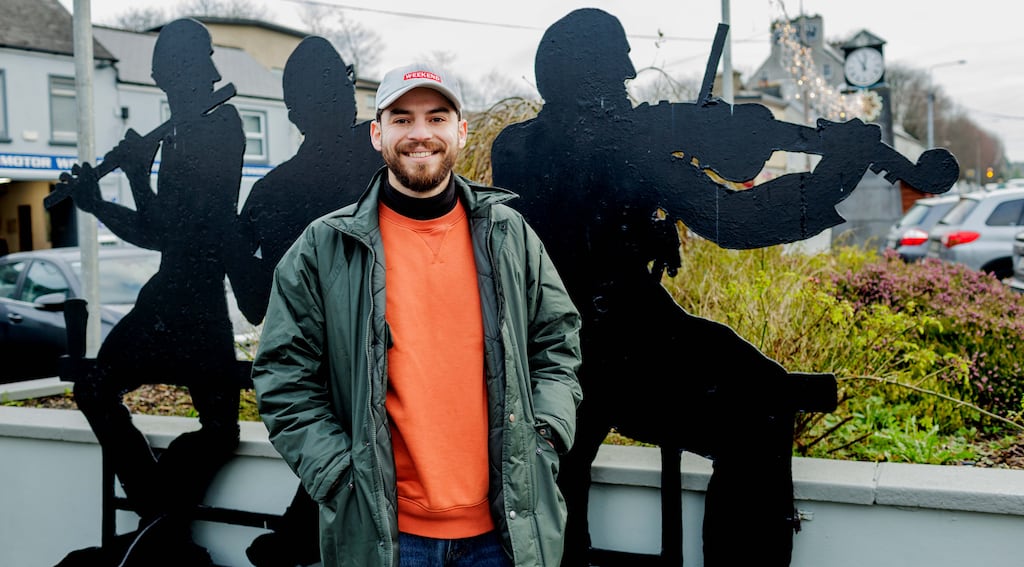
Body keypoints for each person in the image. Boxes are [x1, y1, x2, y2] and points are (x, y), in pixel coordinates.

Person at [489, 8, 892, 567]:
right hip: (624, 347)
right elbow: (739, 220)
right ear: (585, 76)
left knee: (564, 476)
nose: (631, 75)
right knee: (763, 403)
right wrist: (837, 173)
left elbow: (573, 217)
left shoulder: (513, 147)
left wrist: (640, 228)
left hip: (544, 349)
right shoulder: (632, 145)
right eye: (617, 65)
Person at [251, 62, 583, 567]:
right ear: (377, 133)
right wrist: (340, 474)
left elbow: (557, 342)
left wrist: (545, 439)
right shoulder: (325, 247)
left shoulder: (508, 234)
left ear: (460, 130)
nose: (420, 134)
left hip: (506, 530)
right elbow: (283, 377)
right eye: (402, 119)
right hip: (386, 535)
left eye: (437, 117)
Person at [54, 18, 245, 566]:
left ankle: (155, 522)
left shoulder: (222, 125)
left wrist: (133, 178)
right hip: (176, 300)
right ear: (169, 74)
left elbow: (173, 232)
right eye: (200, 60)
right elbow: (162, 233)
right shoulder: (183, 130)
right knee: (95, 389)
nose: (212, 71)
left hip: (191, 300)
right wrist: (99, 200)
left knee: (218, 431)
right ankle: (163, 522)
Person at [229, 36, 383, 567]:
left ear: (291, 112)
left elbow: (255, 310)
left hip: (332, 388)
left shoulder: (274, 192)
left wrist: (229, 243)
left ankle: (291, 540)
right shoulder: (399, 160)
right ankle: (292, 539)